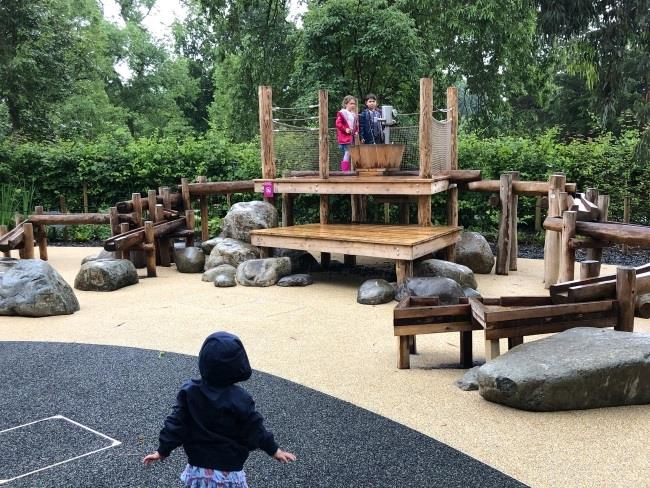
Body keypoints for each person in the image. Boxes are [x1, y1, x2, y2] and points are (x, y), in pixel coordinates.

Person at [143, 331, 296, 488]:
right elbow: (255, 428)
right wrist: (274, 450)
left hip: (198, 470)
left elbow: (175, 423)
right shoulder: (241, 398)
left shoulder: (190, 392)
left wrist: (162, 450)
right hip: (229, 472)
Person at [335, 95, 359, 171]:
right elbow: (338, 123)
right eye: (351, 103)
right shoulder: (342, 113)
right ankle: (345, 171)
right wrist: (345, 129)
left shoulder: (354, 114)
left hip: (352, 137)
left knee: (351, 152)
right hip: (345, 137)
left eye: (354, 104)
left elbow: (356, 126)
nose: (353, 105)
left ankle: (351, 170)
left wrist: (356, 132)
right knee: (347, 152)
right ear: (346, 104)